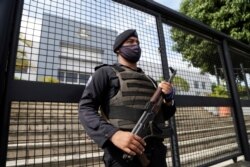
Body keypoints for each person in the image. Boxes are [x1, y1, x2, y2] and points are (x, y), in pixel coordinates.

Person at [79, 29, 176, 167]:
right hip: (122, 154)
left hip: (157, 153)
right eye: (130, 42)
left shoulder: (150, 80)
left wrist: (168, 100)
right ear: (118, 49)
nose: (135, 45)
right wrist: (113, 134)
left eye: (137, 42)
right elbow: (85, 108)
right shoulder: (105, 73)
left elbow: (160, 116)